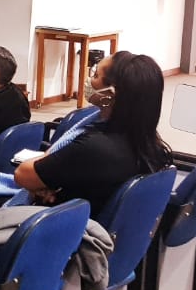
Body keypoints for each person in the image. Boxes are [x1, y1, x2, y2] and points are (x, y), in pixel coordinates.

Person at [13, 51, 172, 216]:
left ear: (109, 95)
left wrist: (42, 183)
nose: (88, 80)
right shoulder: (151, 145)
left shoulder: (94, 147)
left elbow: (22, 175)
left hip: (62, 223)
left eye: (95, 76)